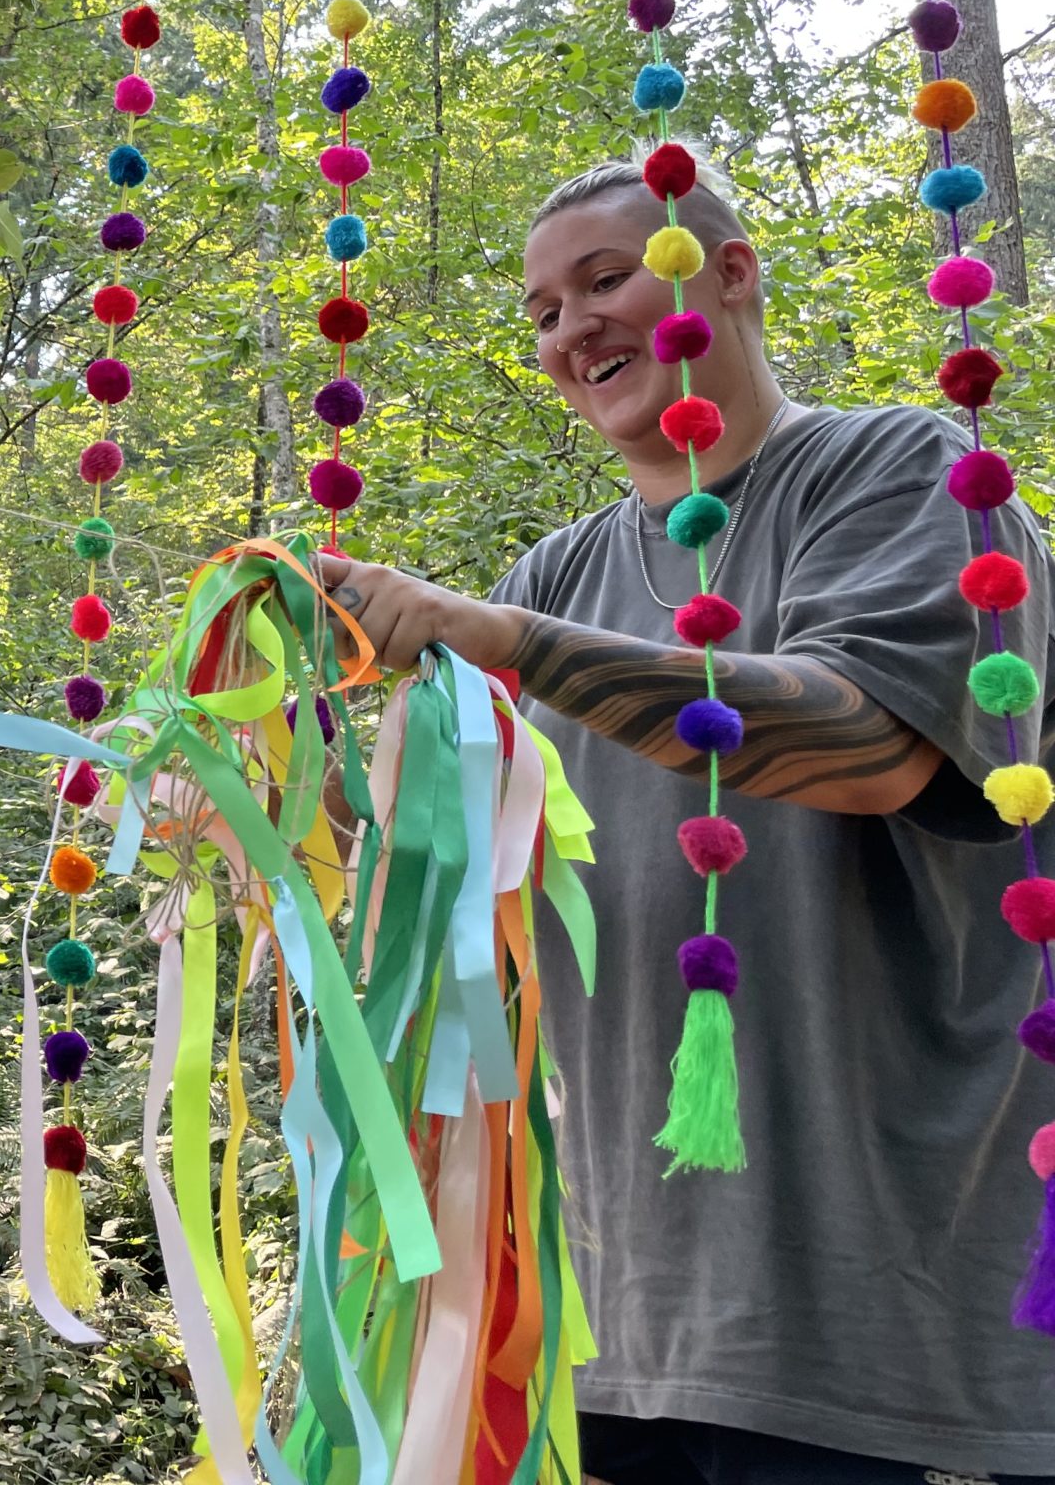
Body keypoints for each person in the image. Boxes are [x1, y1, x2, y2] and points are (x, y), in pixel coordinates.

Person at [313, 160, 1055, 1485]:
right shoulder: (557, 572)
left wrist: (506, 640)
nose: (572, 330)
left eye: (607, 280)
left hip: (883, 1323)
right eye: (544, 310)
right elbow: (448, 874)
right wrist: (269, 798)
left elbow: (870, 743)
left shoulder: (907, 468)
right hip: (613, 1319)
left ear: (733, 271)